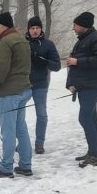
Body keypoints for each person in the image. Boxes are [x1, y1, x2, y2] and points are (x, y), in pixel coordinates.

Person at [0, 12, 33, 178]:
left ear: (6, 25)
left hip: (8, 92)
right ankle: (25, 165)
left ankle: (6, 167)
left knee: (8, 131)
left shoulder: (5, 42)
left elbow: (1, 68)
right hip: (23, 89)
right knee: (21, 129)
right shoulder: (22, 39)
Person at [66, 11, 97, 168]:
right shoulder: (82, 40)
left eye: (75, 25)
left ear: (83, 25)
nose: (73, 28)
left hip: (93, 84)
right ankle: (94, 151)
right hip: (83, 85)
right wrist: (70, 83)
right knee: (91, 118)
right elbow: (73, 64)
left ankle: (96, 155)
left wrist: (77, 61)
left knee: (84, 118)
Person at [25, 16, 61, 154]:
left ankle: (39, 143)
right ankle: (22, 142)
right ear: (28, 30)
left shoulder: (48, 44)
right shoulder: (22, 43)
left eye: (37, 28)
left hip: (40, 84)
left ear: (41, 29)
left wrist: (43, 61)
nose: (35, 31)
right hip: (23, 84)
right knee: (18, 115)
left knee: (41, 114)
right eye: (32, 28)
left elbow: (57, 65)